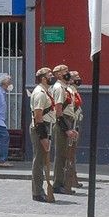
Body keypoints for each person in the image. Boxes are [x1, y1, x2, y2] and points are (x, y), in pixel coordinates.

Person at [28, 69, 56, 203]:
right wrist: (43, 137)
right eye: (50, 75)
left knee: (42, 160)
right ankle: (37, 192)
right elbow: (38, 116)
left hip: (46, 126)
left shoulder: (46, 91)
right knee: (39, 161)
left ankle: (40, 190)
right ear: (43, 78)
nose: (52, 77)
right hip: (40, 128)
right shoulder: (39, 93)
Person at [50, 63, 76, 195]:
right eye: (65, 71)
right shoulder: (59, 88)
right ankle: (57, 184)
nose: (68, 72)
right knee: (60, 155)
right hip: (62, 122)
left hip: (67, 120)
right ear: (58, 74)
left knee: (64, 154)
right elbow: (58, 110)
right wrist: (66, 129)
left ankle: (62, 183)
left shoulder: (66, 87)